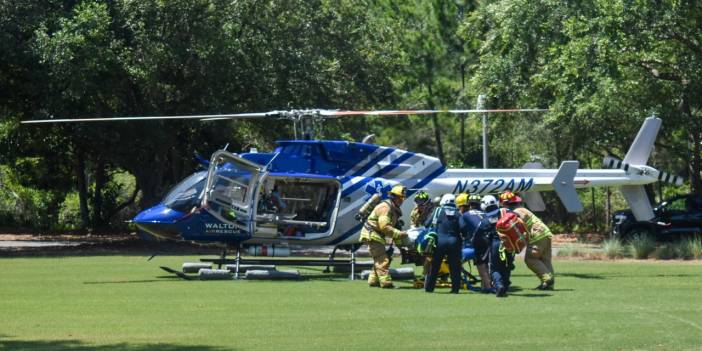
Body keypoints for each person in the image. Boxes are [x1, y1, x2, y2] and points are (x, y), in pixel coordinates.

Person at [499, 191, 555, 290]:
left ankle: (547, 279)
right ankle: (549, 284)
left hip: (537, 236)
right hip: (546, 234)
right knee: (544, 259)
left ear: (505, 204)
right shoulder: (522, 209)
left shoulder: (515, 212)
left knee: (530, 259)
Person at [359, 184, 408, 289]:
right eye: (399, 198)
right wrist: (401, 234)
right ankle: (386, 283)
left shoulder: (393, 208)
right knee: (383, 259)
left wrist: (401, 247)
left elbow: (393, 229)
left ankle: (373, 280)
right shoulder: (385, 207)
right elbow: (385, 227)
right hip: (372, 234)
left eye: (402, 198)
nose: (401, 200)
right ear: (393, 196)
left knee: (378, 259)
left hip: (376, 234)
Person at [424, 194, 464, 294]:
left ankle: (429, 288)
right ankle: (455, 289)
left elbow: (426, 224)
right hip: (454, 241)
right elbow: (463, 227)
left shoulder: (438, 211)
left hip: (439, 241)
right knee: (454, 266)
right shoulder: (458, 213)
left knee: (435, 265)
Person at [456, 193, 492, 292]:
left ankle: (488, 287)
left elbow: (462, 228)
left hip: (479, 240)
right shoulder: (485, 214)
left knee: (480, 264)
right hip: (490, 239)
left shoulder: (466, 215)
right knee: (486, 264)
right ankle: (485, 285)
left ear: (469, 204)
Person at [480, 195, 515, 297]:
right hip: (509, 244)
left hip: (496, 244)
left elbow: (480, 231)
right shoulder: (506, 211)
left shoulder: (486, 218)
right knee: (507, 265)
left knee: (495, 268)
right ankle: (505, 285)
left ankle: (499, 285)